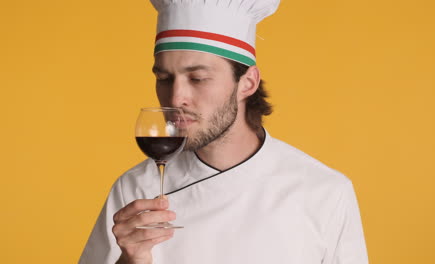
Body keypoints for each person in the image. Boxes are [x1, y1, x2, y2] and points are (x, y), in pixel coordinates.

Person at [79, 0, 368, 263]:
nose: (176, 97)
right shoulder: (135, 189)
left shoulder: (326, 192)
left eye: (199, 78)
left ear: (247, 83)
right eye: (164, 78)